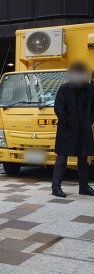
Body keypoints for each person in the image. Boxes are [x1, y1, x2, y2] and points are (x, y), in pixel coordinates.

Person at [51, 61, 94, 197]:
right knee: (62, 158)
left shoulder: (90, 89)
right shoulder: (64, 89)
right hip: (67, 130)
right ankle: (56, 187)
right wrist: (68, 121)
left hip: (84, 129)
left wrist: (88, 121)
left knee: (83, 158)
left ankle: (84, 187)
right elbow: (58, 108)